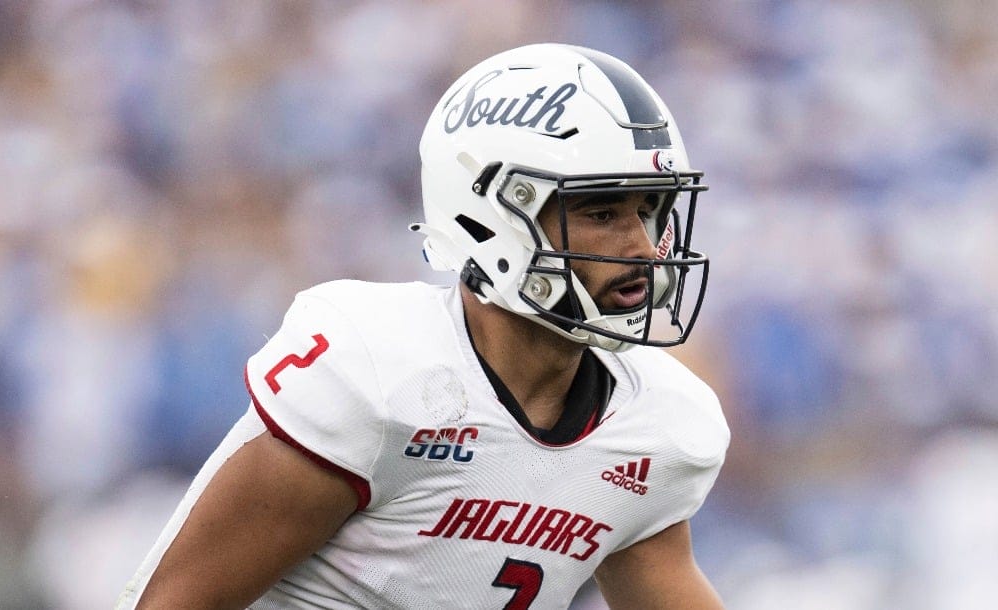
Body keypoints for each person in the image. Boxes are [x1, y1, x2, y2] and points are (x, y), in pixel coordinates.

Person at [118, 43, 729, 610]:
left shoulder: (657, 423)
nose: (643, 248)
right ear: (489, 218)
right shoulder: (376, 373)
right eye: (602, 212)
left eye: (649, 210)